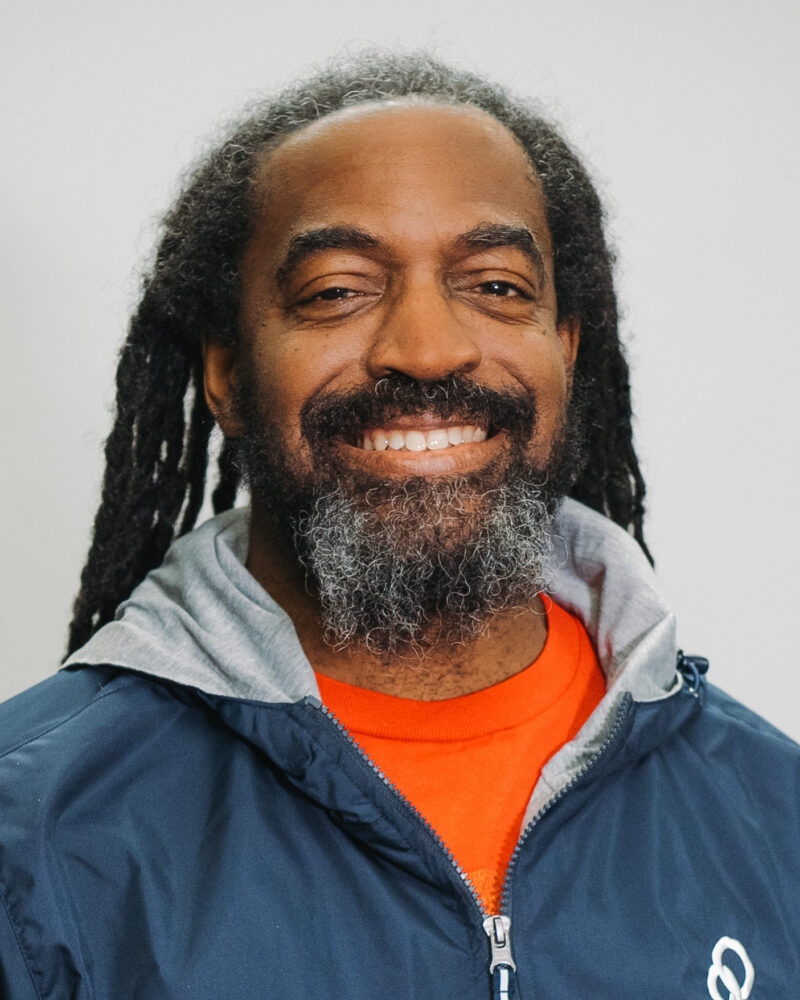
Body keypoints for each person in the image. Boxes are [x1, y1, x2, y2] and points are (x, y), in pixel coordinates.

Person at [0, 51, 797, 1000]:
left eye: (496, 286)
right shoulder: (30, 834)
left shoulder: (774, 811)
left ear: (565, 348)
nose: (427, 349)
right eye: (338, 290)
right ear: (227, 374)